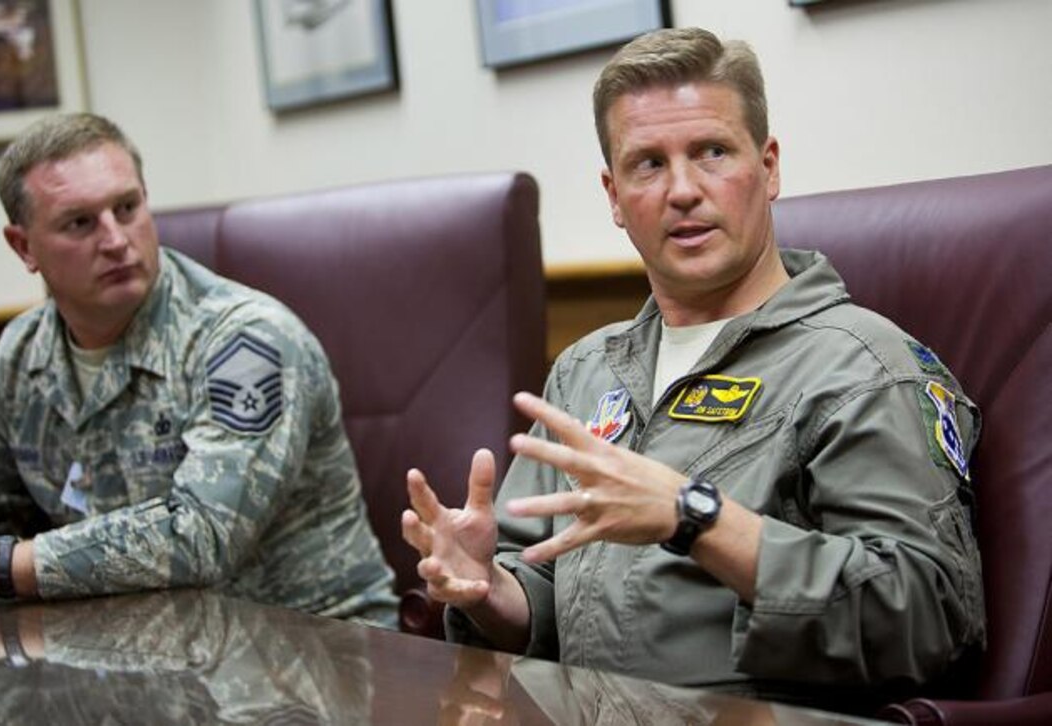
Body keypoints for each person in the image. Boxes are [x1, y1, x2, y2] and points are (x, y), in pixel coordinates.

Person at [402, 27, 984, 709]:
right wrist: (491, 591)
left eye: (712, 152)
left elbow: (932, 618)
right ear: (614, 196)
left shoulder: (863, 370)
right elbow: (555, 602)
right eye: (647, 163)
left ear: (768, 168)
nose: (683, 189)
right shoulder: (588, 371)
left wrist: (697, 519)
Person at [0, 113, 397, 625]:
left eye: (127, 208)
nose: (116, 239)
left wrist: (2, 568)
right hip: (127, 663)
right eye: (79, 222)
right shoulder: (15, 362)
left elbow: (201, 534)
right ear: (23, 246)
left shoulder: (248, 342)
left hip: (306, 654)